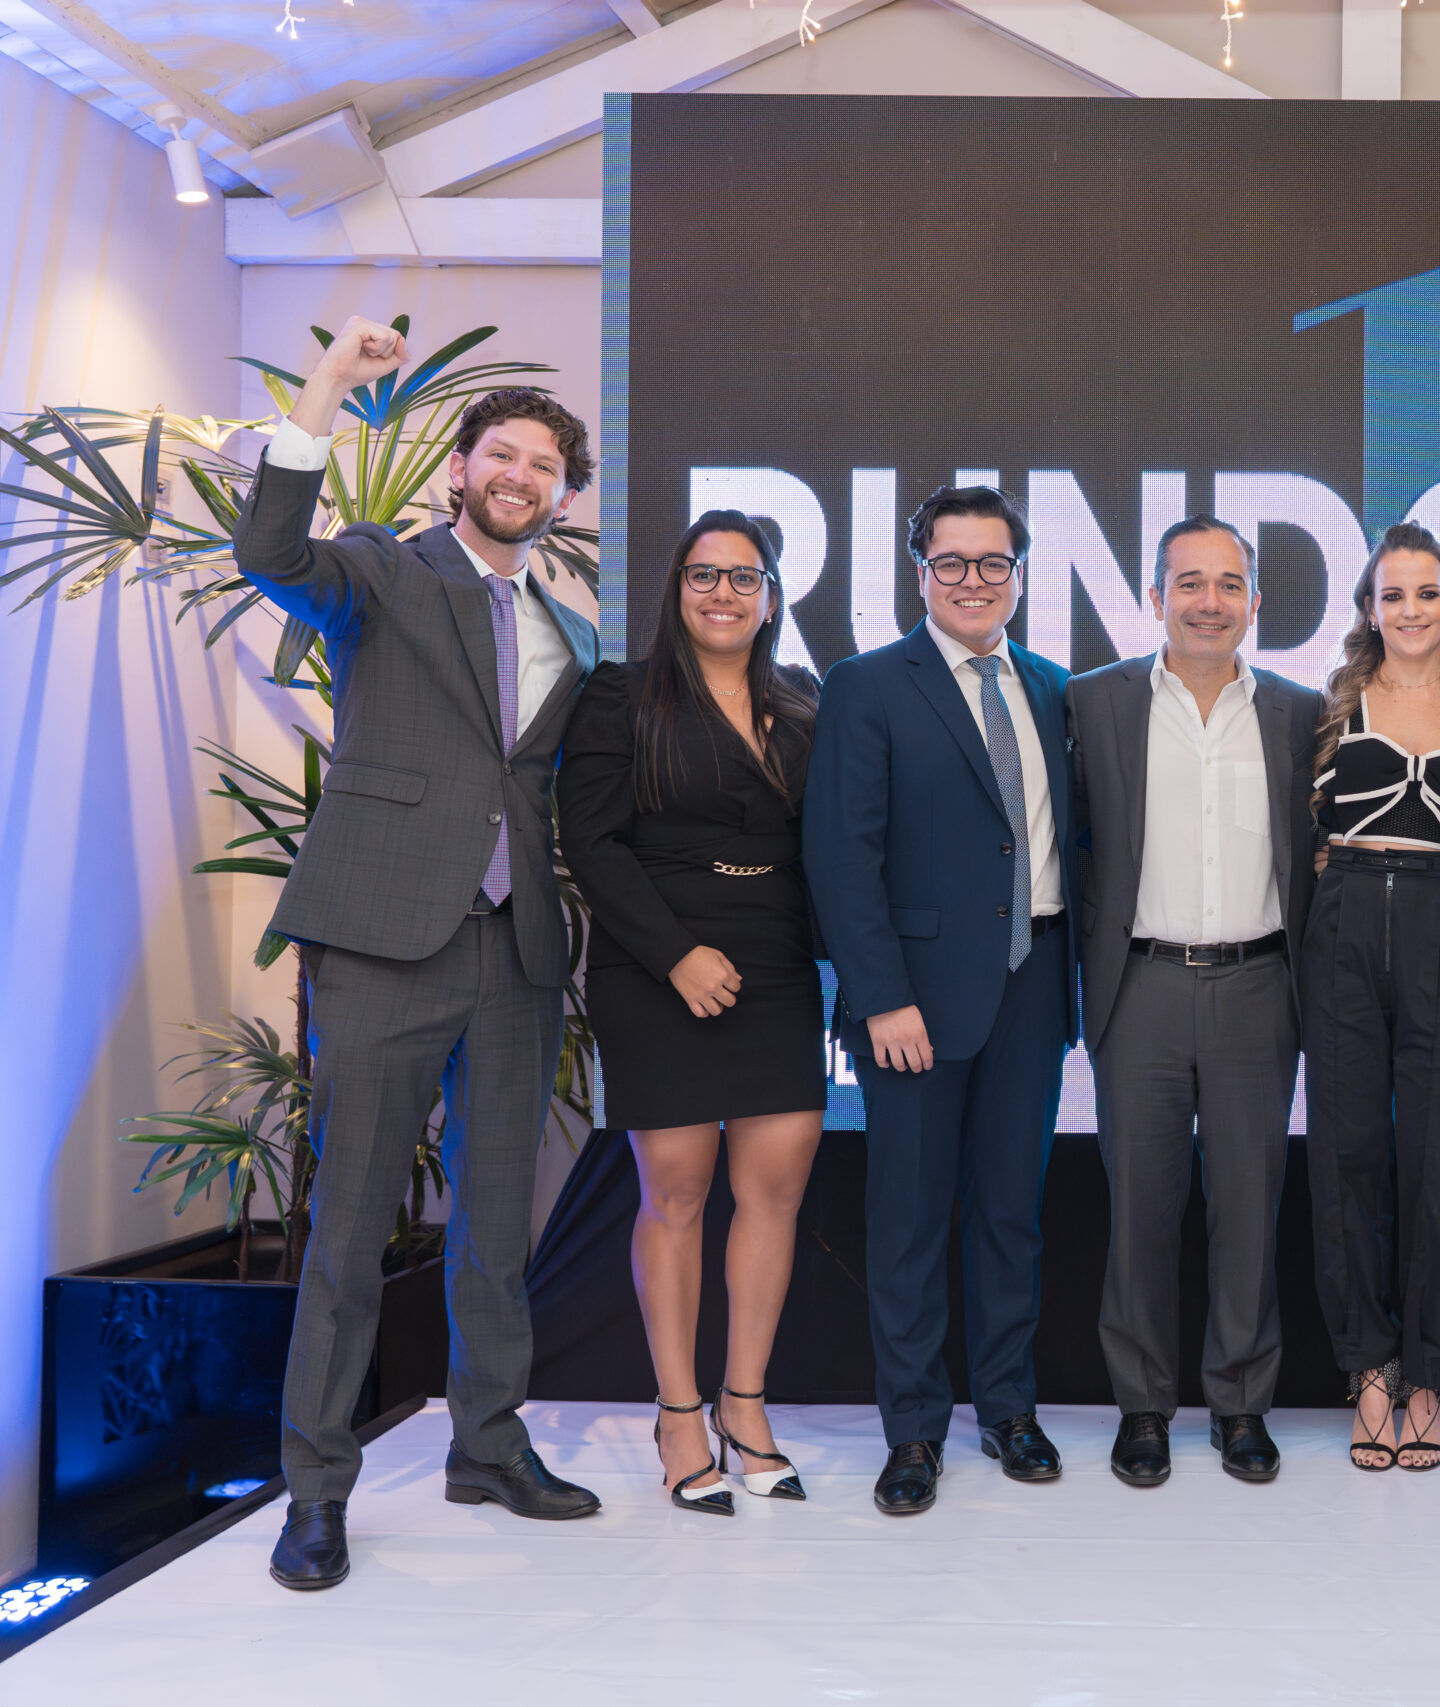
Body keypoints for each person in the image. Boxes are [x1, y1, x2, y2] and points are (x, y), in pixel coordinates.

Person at [235, 319, 604, 1591]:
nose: (520, 476)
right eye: (501, 455)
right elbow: (270, 552)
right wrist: (327, 386)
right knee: (347, 1231)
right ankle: (315, 1493)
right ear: (460, 469)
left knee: (496, 1227)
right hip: (384, 941)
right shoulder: (383, 574)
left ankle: (487, 1448)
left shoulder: (572, 631)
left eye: (544, 466)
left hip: (517, 953)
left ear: (562, 496)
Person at [803, 485, 1080, 1517]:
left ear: (1019, 574)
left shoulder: (1052, 687)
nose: (974, 581)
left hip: (1033, 986)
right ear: (920, 573)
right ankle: (914, 1429)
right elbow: (842, 855)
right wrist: (880, 997)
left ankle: (1009, 1409)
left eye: (993, 562)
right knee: (910, 1219)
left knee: (1011, 1215)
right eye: (952, 563)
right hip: (911, 1002)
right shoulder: (867, 684)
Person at [558, 510, 825, 1516]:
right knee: (675, 1189)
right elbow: (590, 841)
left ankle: (743, 1405)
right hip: (654, 961)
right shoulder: (618, 694)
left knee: (776, 1186)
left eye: (744, 577)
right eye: (704, 574)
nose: (724, 593)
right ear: (676, 588)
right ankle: (679, 1414)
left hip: (776, 964)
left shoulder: (804, 701)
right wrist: (674, 954)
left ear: (771, 595)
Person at [1068, 516, 1323, 1487]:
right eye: (1188, 583)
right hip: (1140, 986)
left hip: (1260, 987)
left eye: (1226, 585)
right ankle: (1142, 1406)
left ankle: (1240, 1404)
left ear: (1255, 602)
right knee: (1139, 1206)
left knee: (1249, 1207)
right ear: (1155, 597)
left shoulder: (1301, 713)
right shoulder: (1094, 701)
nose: (1207, 602)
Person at [1302, 522, 1440, 1473]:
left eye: (1428, 592)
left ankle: (1430, 1376)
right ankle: (1369, 1371)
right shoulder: (1334, 708)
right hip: (1344, 917)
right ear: (1369, 609)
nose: (1411, 609)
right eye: (1393, 594)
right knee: (1346, 1152)